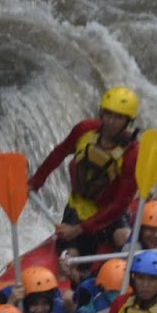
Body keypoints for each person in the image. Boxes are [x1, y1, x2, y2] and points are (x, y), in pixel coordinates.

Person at [27, 86, 140, 262]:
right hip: (77, 207)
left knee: (124, 238)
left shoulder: (132, 153)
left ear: (128, 122)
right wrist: (36, 181)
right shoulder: (84, 130)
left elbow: (120, 203)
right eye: (108, 114)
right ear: (101, 113)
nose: (111, 121)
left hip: (110, 213)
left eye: (118, 117)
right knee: (68, 260)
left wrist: (80, 229)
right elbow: (58, 154)